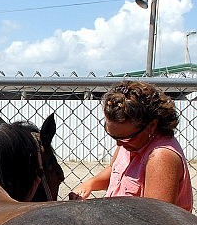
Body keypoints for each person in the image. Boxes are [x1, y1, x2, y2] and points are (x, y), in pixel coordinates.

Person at [71, 80, 193, 211]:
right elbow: (114, 171)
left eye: (124, 138)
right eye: (113, 136)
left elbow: (155, 222)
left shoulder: (161, 157)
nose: (118, 143)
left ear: (151, 126)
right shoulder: (130, 141)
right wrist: (90, 184)